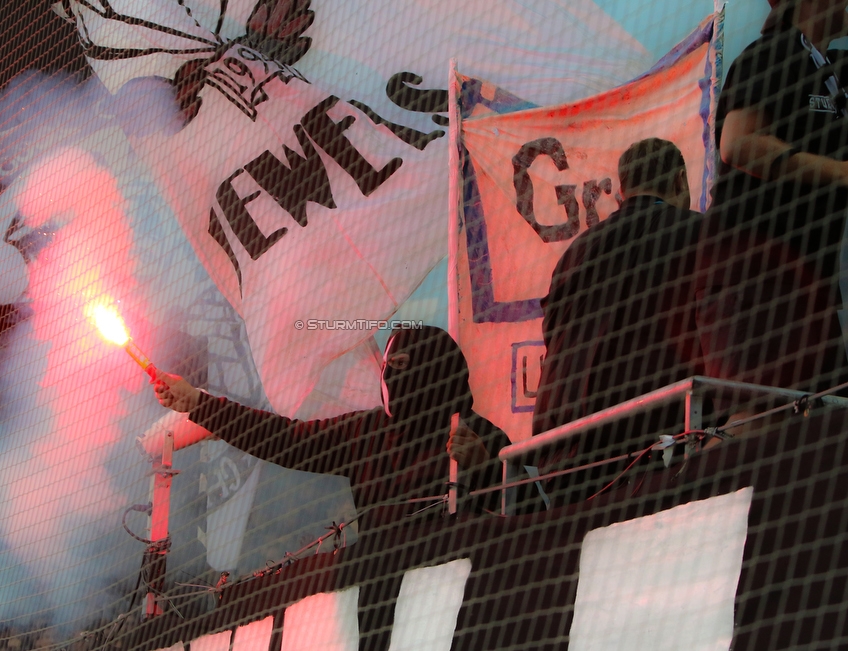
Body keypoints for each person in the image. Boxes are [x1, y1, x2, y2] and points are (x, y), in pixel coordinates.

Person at [152, 325, 510, 520]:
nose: (387, 376)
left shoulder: (477, 437)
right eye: (386, 366)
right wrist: (199, 403)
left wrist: (487, 470)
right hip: (383, 615)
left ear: (437, 372)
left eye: (400, 365)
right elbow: (286, 441)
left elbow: (534, 516)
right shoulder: (365, 434)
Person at [700, 0, 848, 394]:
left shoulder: (830, 71)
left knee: (825, 423)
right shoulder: (770, 54)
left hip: (811, 287)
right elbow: (739, 143)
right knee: (760, 420)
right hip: (755, 286)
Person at [532, 138, 705, 439]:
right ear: (680, 180)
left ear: (621, 192)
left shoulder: (575, 252)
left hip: (560, 437)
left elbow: (552, 333)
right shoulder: (701, 232)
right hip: (653, 439)